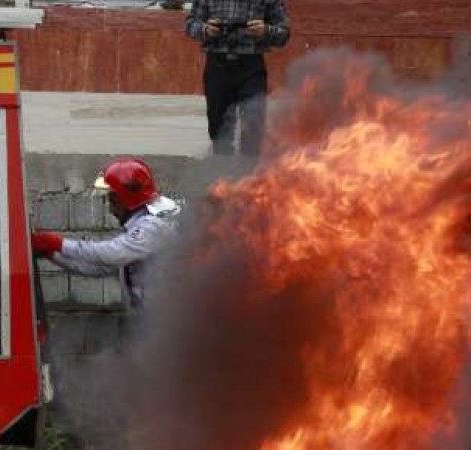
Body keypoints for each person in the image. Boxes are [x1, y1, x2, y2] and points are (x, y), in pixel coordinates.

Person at [31, 158, 180, 310]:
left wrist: (58, 244)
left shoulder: (153, 226)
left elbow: (112, 254)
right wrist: (52, 253)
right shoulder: (139, 226)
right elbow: (100, 267)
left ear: (127, 199)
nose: (111, 210)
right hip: (150, 320)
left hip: (167, 322)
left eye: (113, 202)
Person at [186, 0, 290, 156]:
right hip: (217, 67)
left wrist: (266, 31)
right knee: (219, 131)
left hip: (251, 68)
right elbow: (190, 25)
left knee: (253, 126)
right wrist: (205, 29)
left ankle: (248, 174)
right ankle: (221, 173)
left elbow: (284, 33)